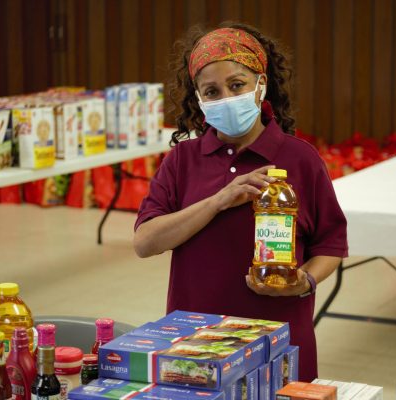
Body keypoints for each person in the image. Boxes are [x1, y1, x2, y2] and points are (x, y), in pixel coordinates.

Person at [133, 22, 348, 381]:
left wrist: (305, 281)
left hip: (278, 342)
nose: (226, 99)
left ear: (261, 84)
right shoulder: (182, 161)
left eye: (236, 85)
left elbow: (331, 245)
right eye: (212, 91)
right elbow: (144, 242)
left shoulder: (301, 159)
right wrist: (218, 200)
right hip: (197, 344)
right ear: (199, 99)